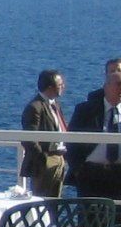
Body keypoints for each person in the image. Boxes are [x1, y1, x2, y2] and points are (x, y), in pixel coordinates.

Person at [68, 58, 121, 200]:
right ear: (106, 87)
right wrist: (78, 170)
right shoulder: (85, 110)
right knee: (90, 213)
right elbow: (71, 141)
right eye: (118, 85)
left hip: (119, 174)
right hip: (91, 174)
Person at [20, 69, 68, 197]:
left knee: (55, 199)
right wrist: (43, 158)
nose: (63, 87)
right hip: (46, 160)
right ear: (50, 87)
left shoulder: (54, 105)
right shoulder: (35, 107)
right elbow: (29, 138)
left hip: (59, 158)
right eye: (60, 85)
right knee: (41, 199)